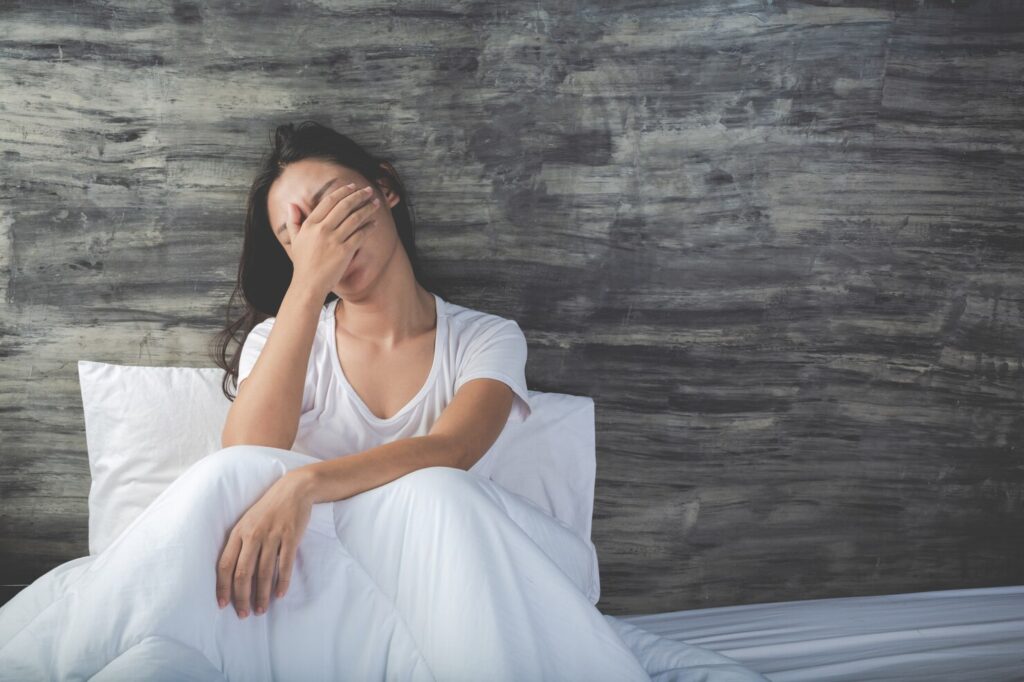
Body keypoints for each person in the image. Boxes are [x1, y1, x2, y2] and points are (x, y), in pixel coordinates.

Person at [0, 120, 657, 680]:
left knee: (434, 490)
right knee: (236, 476)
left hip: (438, 582)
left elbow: (450, 451)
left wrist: (306, 486)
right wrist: (308, 286)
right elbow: (248, 457)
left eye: (328, 207)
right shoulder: (286, 337)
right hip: (313, 596)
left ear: (384, 187)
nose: (321, 239)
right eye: (296, 236)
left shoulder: (485, 337)